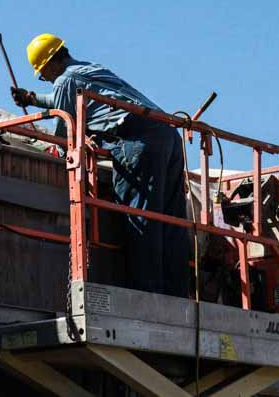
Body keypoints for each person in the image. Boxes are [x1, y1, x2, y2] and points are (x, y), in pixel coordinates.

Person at [11, 33, 190, 297]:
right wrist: (32, 98)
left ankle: (148, 296)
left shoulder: (64, 80)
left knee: (140, 219)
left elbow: (63, 130)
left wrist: (60, 150)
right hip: (167, 135)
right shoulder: (86, 69)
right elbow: (67, 96)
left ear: (48, 65)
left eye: (42, 74)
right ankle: (177, 294)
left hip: (137, 140)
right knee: (170, 220)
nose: (45, 79)